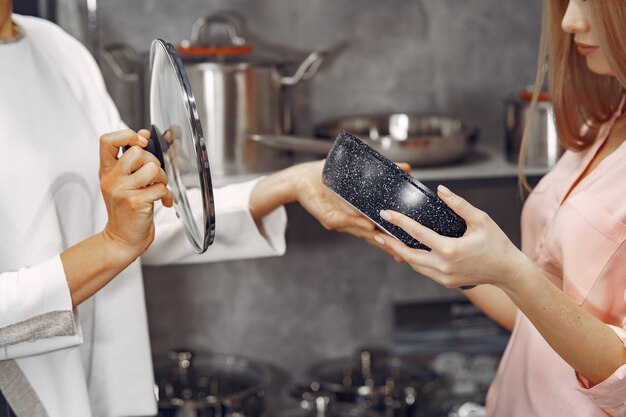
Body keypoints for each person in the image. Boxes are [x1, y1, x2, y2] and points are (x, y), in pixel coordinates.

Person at [0, 3, 400, 416]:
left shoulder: (57, 47)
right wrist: (113, 243)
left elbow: (139, 225)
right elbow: (115, 241)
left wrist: (289, 184)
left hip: (107, 382)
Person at [373, 0, 626, 415]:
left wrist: (511, 269)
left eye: (592, 3)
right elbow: (533, 315)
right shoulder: (606, 123)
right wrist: (454, 257)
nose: (568, 22)